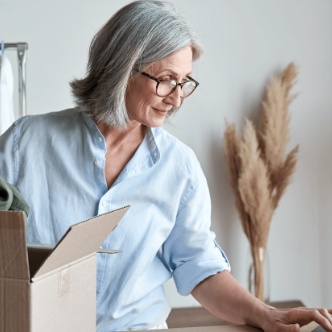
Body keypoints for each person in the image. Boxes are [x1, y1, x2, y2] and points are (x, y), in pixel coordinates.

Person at [0, 1, 331, 331]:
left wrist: (266, 314)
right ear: (122, 69)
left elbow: (199, 267)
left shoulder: (179, 167)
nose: (176, 98)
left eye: (184, 81)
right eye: (166, 79)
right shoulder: (25, 144)